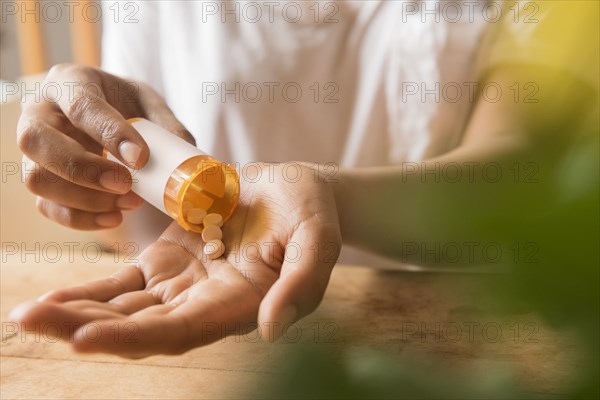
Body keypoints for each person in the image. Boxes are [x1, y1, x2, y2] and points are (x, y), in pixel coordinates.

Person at [9, 1, 598, 358]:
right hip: (247, 358)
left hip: (481, 332)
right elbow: (146, 230)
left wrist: (323, 202)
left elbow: (524, 170)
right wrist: (104, 163)